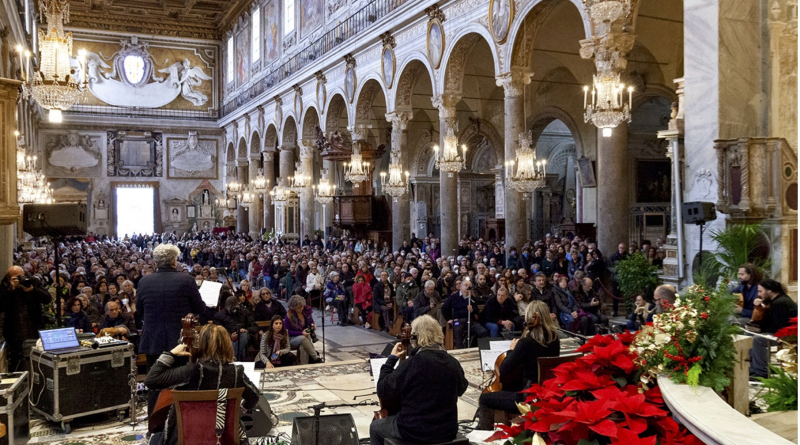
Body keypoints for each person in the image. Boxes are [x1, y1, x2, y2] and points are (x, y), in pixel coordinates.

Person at [144, 324, 261, 445]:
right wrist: (239, 409)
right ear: (228, 345)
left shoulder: (192, 371)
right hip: (223, 438)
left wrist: (171, 353)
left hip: (185, 439)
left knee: (155, 437)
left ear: (201, 344)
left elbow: (151, 380)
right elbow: (254, 397)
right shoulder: (236, 372)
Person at [370, 315, 468, 445]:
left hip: (414, 431)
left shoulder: (412, 364)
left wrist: (391, 359)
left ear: (416, 337)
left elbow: (383, 389)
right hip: (446, 430)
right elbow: (461, 389)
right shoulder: (453, 363)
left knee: (375, 427)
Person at [137, 243, 207, 416]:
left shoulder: (144, 281)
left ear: (156, 262)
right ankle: (181, 421)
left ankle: (155, 421)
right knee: (181, 383)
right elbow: (199, 308)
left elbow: (139, 311)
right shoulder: (186, 280)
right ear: (175, 261)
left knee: (155, 384)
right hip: (180, 342)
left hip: (153, 340)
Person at [476, 301, 561, 429]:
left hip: (527, 398)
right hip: (547, 394)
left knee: (484, 398)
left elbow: (504, 370)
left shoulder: (526, 343)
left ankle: (483, 432)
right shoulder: (554, 340)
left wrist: (511, 350)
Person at [0, 266, 52, 372]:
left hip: (34, 328)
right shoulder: (5, 286)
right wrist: (10, 289)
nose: (19, 279)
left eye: (21, 276)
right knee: (17, 362)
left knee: (36, 359)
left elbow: (47, 298)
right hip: (14, 331)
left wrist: (32, 290)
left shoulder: (32, 281)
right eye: (15, 277)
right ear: (9, 278)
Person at [749, 279, 798, 378]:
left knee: (758, 339)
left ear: (769, 290)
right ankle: (753, 368)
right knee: (748, 335)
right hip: (780, 331)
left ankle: (762, 372)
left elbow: (777, 326)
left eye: (760, 291)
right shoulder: (777, 301)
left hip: (787, 335)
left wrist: (759, 330)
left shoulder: (780, 303)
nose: (759, 295)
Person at [442, 279, 489, 348]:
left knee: (483, 332)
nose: (468, 287)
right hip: (458, 321)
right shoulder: (454, 297)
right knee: (457, 331)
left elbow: (476, 311)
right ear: (461, 287)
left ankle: (477, 348)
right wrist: (448, 319)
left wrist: (472, 310)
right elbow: (444, 308)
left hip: (471, 321)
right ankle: (460, 350)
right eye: (466, 285)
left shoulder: (472, 298)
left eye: (469, 285)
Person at [214, 296, 257, 361]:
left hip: (242, 337)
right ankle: (233, 358)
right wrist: (229, 336)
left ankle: (231, 357)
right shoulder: (219, 315)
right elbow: (218, 331)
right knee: (238, 346)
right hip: (226, 339)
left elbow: (254, 327)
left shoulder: (244, 312)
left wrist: (246, 330)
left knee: (244, 336)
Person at [285, 295, 322, 364]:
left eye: (302, 307)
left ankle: (303, 365)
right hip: (292, 338)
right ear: (293, 308)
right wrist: (301, 333)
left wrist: (313, 326)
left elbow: (311, 322)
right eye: (298, 308)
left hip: (305, 336)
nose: (301, 309)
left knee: (303, 346)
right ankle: (315, 357)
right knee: (303, 338)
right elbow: (287, 332)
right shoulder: (290, 315)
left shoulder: (306, 311)